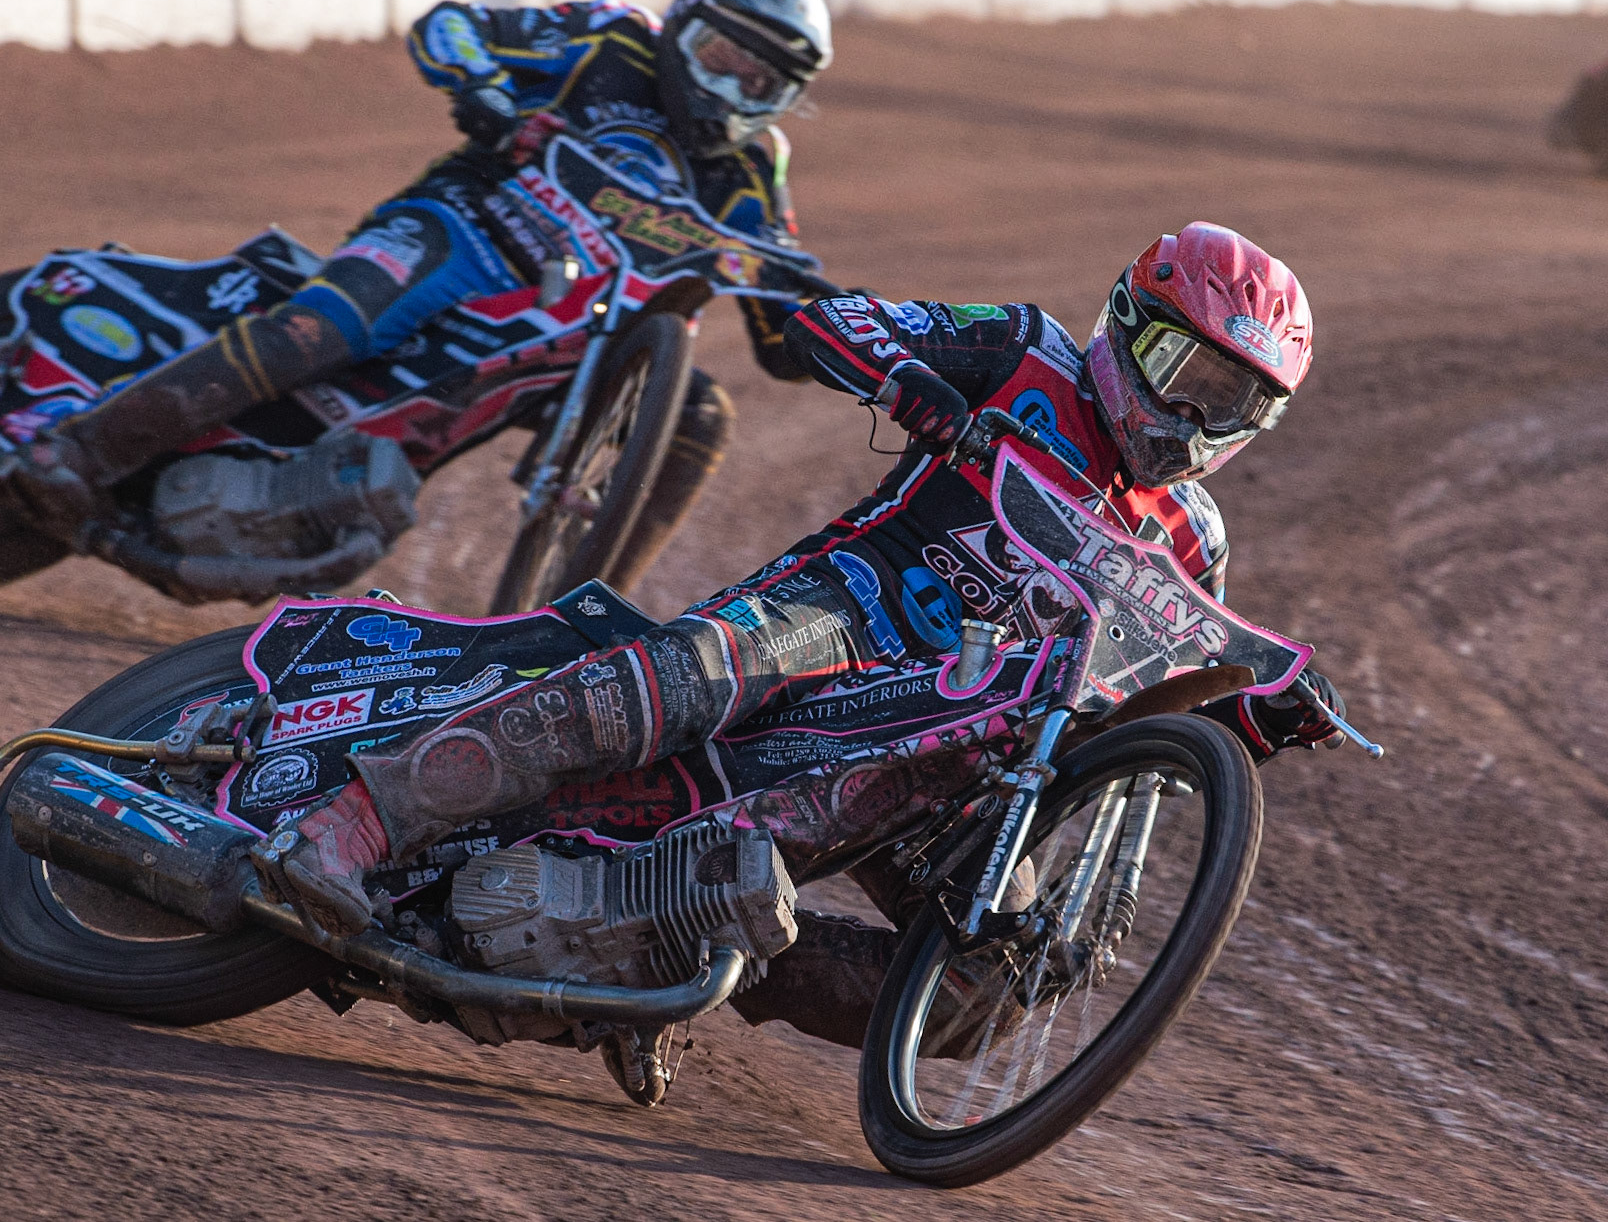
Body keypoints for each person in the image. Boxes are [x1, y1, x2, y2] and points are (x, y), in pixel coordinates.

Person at [265, 220, 1348, 1045]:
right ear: (1129, 327)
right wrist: (918, 388)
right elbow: (838, 322)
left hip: (963, 749)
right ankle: (358, 821)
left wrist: (1259, 706)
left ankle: (662, 952)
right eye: (1190, 379)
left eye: (1234, 405)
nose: (1196, 421)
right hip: (844, 615)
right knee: (683, 681)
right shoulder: (1028, 353)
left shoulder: (1194, 540)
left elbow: (1176, 673)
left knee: (989, 986)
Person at [0, 0, 835, 586]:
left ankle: (583, 620)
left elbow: (781, 331)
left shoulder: (755, 172)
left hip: (572, 339)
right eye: (723, 59)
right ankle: (77, 449)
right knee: (327, 326)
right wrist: (487, 95)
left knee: (700, 414)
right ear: (684, 26)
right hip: (465, 229)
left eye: (762, 84)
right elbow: (450, 28)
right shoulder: (613, 38)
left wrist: (840, 317)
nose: (733, 91)